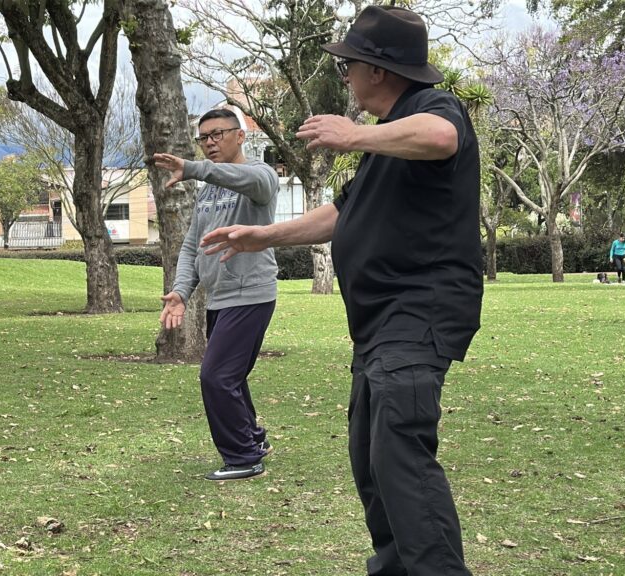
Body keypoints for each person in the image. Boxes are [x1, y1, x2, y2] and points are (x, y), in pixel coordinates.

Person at [202, 6, 479, 575]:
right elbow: (341, 214)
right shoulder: (385, 149)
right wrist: (263, 236)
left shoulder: (430, 109)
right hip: (377, 324)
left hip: (417, 312)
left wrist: (355, 135)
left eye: (350, 66)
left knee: (399, 453)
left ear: (377, 70)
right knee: (371, 459)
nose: (346, 78)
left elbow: (444, 136)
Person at [152, 108, 278, 481]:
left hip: (250, 293)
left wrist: (193, 168)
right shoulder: (208, 193)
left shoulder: (261, 176)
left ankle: (243, 458)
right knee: (232, 376)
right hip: (219, 297)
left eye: (218, 134)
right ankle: (253, 439)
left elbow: (251, 181)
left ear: (240, 136)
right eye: (203, 137)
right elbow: (192, 246)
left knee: (216, 376)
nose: (209, 142)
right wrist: (180, 292)